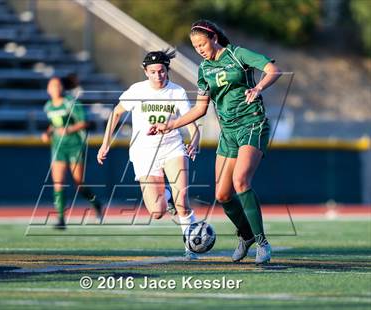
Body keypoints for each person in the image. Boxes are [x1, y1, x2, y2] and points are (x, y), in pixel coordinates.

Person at [149, 20, 282, 264]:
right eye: (195, 46)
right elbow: (200, 109)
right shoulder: (204, 70)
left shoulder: (237, 54)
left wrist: (259, 87)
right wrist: (168, 125)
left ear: (213, 38)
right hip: (228, 132)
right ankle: (246, 236)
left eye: (201, 43)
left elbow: (273, 70)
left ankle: (262, 243)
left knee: (241, 181)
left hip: (252, 124)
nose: (199, 49)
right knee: (222, 195)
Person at [97, 50, 201, 259]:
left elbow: (190, 120)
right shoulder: (136, 90)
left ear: (167, 70)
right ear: (145, 71)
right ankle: (167, 197)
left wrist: (195, 139)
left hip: (172, 148)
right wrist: (105, 143)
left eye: (161, 71)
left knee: (183, 200)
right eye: (153, 72)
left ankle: (191, 246)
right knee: (157, 211)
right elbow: (116, 113)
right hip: (144, 153)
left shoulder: (176, 92)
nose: (158, 76)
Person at [41, 77, 102, 229]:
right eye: (52, 86)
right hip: (58, 147)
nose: (55, 88)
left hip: (75, 145)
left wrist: (69, 130)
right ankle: (61, 219)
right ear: (48, 90)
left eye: (58, 85)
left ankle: (96, 203)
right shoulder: (48, 106)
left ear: (62, 88)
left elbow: (84, 122)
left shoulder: (70, 102)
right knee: (58, 183)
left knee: (79, 183)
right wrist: (47, 133)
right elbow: (53, 124)